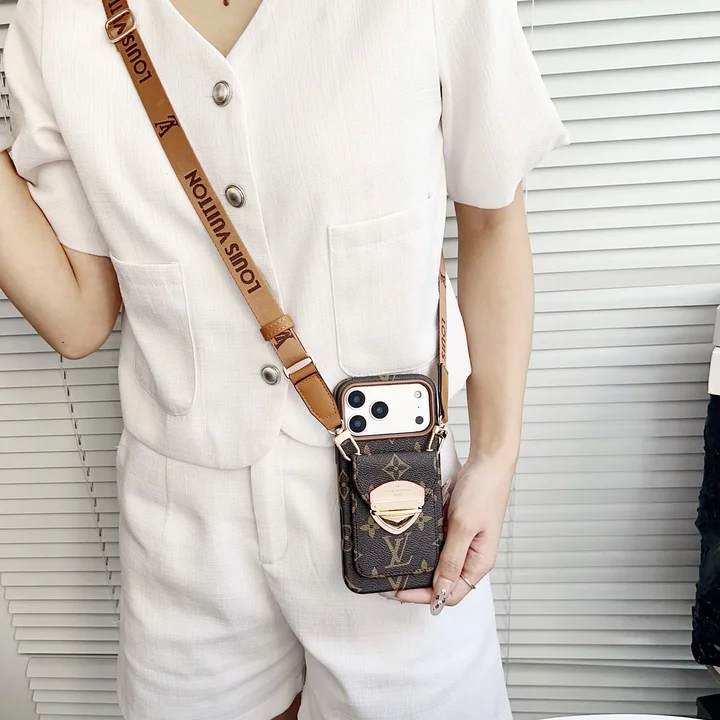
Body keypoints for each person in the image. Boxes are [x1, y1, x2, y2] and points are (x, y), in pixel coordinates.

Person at [1, 0, 569, 718]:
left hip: (397, 493)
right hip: (184, 519)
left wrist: (495, 458)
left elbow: (491, 218)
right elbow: (80, 318)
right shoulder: (58, 19)